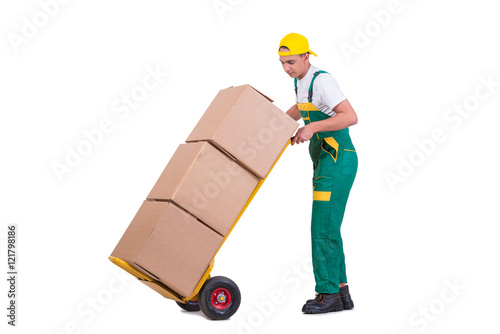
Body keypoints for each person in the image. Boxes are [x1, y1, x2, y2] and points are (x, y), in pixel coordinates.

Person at [278, 32, 359, 314]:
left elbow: (350, 116)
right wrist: (270, 123)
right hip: (325, 161)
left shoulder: (322, 80)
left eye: (290, 61)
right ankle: (341, 291)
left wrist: (311, 128)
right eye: (282, 63)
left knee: (322, 227)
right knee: (329, 227)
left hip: (337, 161)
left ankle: (327, 295)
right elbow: (298, 110)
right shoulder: (301, 83)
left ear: (305, 57)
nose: (286, 68)